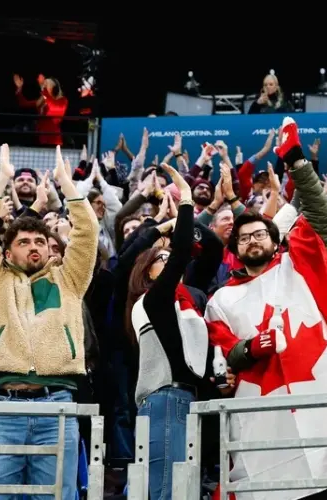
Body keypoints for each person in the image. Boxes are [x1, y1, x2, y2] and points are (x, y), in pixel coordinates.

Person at [205, 117, 327, 500]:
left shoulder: (299, 265)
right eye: (244, 237)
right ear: (234, 249)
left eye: (260, 234)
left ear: (275, 240)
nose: (252, 240)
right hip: (262, 422)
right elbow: (227, 354)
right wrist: (253, 347)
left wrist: (295, 160)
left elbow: (322, 217)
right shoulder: (220, 299)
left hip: (318, 411)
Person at [0, 144, 98, 500]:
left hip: (57, 407)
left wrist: (68, 187)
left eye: (40, 240)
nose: (34, 246)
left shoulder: (69, 279)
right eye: (23, 242)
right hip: (3, 408)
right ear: (7, 252)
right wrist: (3, 181)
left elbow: (88, 232)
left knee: (56, 497)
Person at [125, 163, 210, 500]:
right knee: (169, 493)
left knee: (176, 492)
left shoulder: (172, 305)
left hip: (174, 400)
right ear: (147, 271)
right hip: (167, 400)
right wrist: (186, 199)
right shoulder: (154, 300)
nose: (171, 260)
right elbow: (184, 250)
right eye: (162, 258)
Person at [13, 74, 68, 146]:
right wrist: (19, 89)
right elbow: (23, 103)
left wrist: (43, 90)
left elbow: (52, 108)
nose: (44, 86)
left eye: (46, 84)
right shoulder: (41, 101)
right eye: (43, 84)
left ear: (54, 88)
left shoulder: (62, 100)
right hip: (40, 138)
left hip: (53, 140)